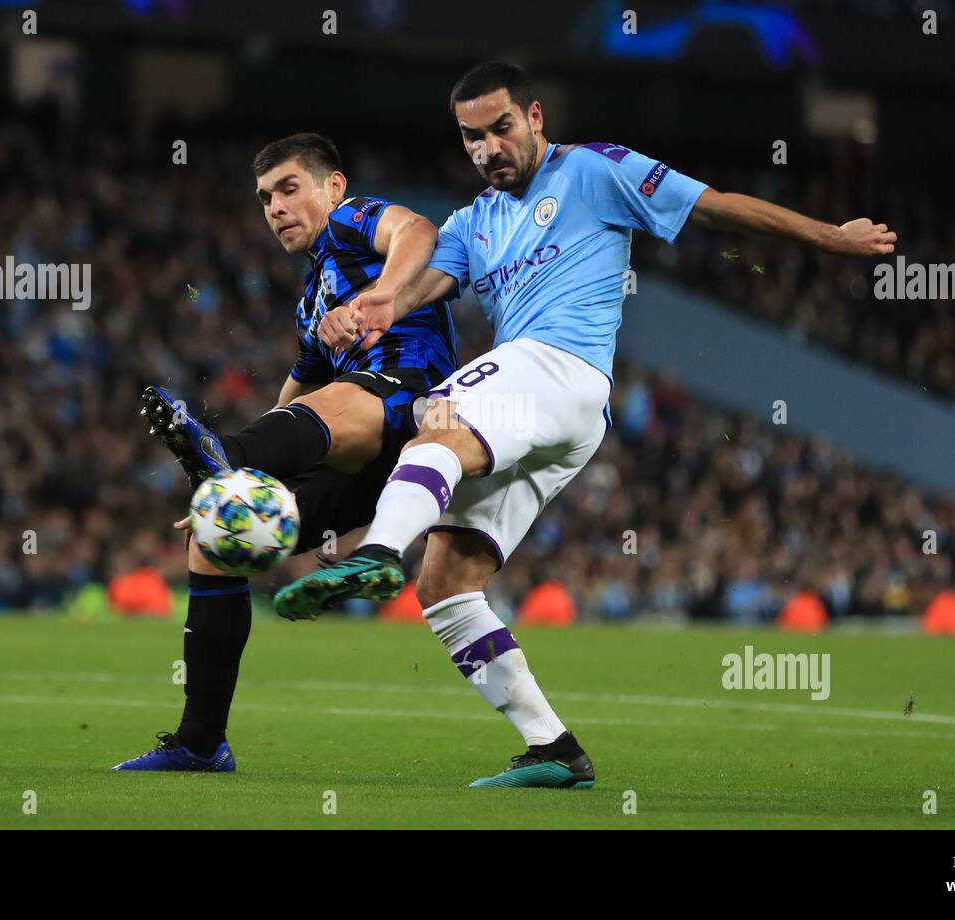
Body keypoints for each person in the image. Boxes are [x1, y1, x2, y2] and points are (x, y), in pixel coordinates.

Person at [273, 62, 896, 789]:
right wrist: (375, 305)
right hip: (563, 417)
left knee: (433, 429)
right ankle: (554, 750)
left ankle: (376, 551)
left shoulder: (597, 170)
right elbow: (413, 284)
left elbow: (716, 206)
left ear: (534, 117)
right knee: (445, 583)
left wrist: (830, 237)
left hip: (558, 364)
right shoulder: (474, 222)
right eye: (471, 137)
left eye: (500, 128)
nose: (487, 147)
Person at [113, 133, 458, 771]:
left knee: (344, 398)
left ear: (332, 186)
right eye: (265, 197)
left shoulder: (356, 223)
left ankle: (225, 451)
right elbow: (292, 399)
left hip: (417, 414)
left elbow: (419, 231)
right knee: (214, 543)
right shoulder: (309, 305)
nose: (274, 207)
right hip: (362, 464)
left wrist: (378, 295)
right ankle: (201, 742)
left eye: (289, 188)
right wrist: (234, 490)